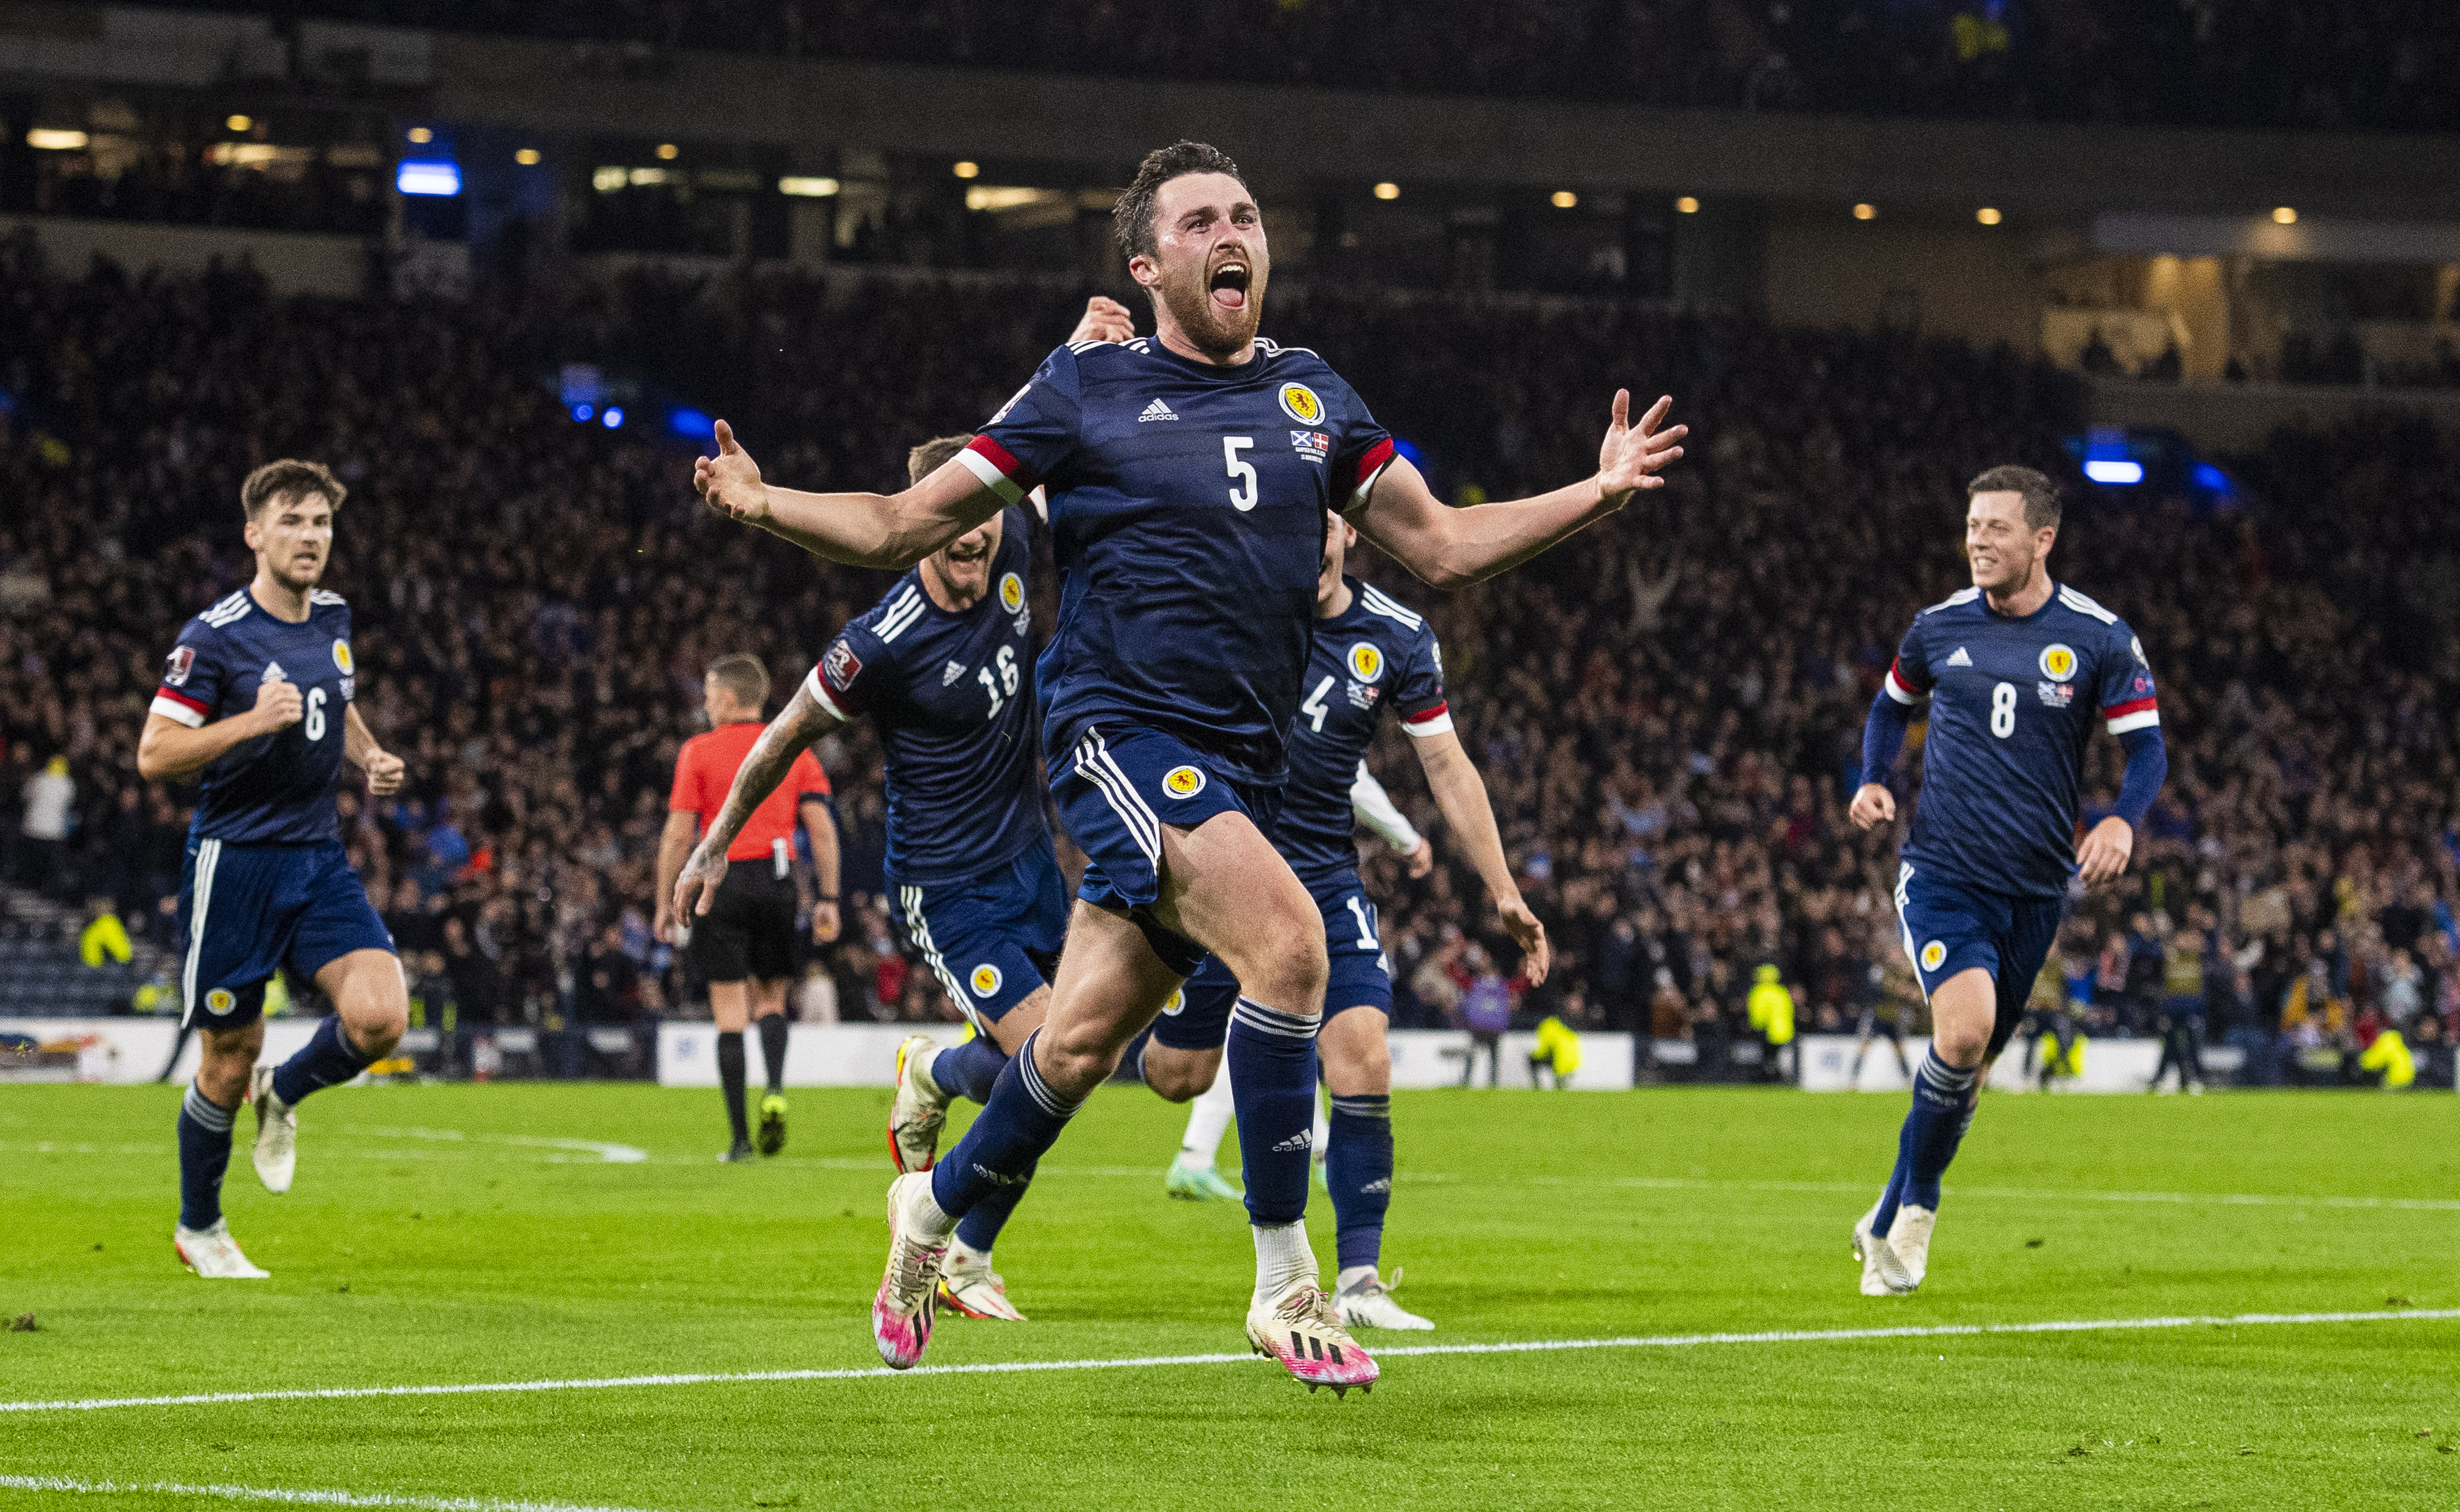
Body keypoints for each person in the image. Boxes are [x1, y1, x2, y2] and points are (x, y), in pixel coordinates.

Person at [692, 139, 1685, 1388]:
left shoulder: (1315, 397)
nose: (1237, 234)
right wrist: (763, 497)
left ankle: (928, 1218)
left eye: (1250, 215)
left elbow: (1443, 546)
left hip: (1240, 765)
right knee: (1292, 942)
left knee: (1079, 1048)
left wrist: (1592, 494)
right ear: (1149, 263)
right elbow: (901, 524)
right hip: (1116, 736)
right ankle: (1286, 1284)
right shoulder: (1082, 391)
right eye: (1205, 219)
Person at [675, 297, 1135, 1320]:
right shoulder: (880, 641)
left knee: (1081, 1057)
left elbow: (1019, 429)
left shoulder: (1014, 537)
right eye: (953, 525)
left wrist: (1069, 348)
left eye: (981, 519)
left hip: (1031, 861)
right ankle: (954, 1240)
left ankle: (932, 1075)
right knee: (1040, 1058)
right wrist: (711, 846)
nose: (972, 541)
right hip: (944, 883)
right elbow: (782, 734)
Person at [1144, 511, 1547, 1332]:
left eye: (1325, 523)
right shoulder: (1233, 608)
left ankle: (1359, 1278)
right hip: (1225, 876)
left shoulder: (1396, 639)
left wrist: (1502, 887)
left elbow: (1447, 763)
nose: (1312, 541)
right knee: (1171, 1075)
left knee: (1362, 1054)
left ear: (1348, 532)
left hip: (1325, 879)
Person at [1847, 464, 2165, 1297]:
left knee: (1972, 1066)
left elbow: (2148, 747)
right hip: (1944, 873)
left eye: (1996, 528)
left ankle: (1882, 1206)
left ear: (2042, 539)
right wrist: (1874, 777)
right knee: (1961, 1035)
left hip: (2035, 889)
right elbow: (1890, 705)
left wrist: (2121, 818)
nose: (1978, 542)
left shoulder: (2098, 637)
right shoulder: (1937, 626)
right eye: (1972, 526)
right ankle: (1915, 1213)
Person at [135, 459, 409, 1280]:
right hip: (237, 865)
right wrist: (250, 723)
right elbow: (155, 753)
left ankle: (284, 1091)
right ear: (255, 534)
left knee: (380, 1019)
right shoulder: (212, 637)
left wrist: (367, 754)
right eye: (293, 521)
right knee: (226, 1053)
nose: (311, 536)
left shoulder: (333, 612)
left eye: (321, 522)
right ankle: (200, 1227)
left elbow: (340, 696)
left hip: (318, 858)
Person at [656, 652, 838, 1162]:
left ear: (730, 698)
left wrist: (664, 898)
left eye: (711, 694)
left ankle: (739, 1140)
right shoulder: (794, 748)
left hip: (722, 878)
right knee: (773, 1000)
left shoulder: (698, 751)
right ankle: (775, 1089)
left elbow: (677, 834)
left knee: (729, 1013)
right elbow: (822, 828)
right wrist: (828, 897)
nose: (707, 703)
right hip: (778, 878)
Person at [1744, 962, 1795, 1082]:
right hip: (1785, 1032)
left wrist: (1753, 1027)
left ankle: (1769, 1080)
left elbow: (1758, 1016)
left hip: (1769, 1031)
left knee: (1768, 1060)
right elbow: (1790, 1011)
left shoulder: (1759, 991)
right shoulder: (1782, 991)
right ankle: (1782, 1080)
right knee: (1781, 1060)